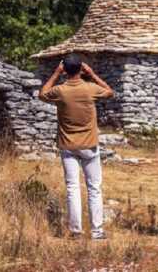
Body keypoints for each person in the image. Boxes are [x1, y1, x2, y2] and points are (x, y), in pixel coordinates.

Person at [39, 54, 114, 240]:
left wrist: (56, 73)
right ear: (81, 69)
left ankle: (76, 231)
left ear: (64, 69)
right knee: (94, 188)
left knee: (73, 187)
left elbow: (42, 94)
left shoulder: (60, 91)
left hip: (68, 145)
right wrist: (92, 73)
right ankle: (97, 231)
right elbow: (109, 91)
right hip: (89, 144)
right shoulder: (90, 89)